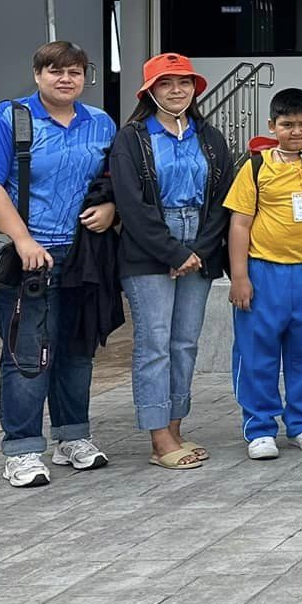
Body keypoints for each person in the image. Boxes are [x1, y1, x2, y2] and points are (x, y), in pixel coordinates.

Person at [0, 41, 118, 488]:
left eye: (75, 72)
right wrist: (22, 239)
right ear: (37, 75)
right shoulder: (8, 118)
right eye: (55, 71)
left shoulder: (101, 123)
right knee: (27, 354)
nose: (65, 79)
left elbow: (113, 180)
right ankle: (22, 449)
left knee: (76, 349)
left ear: (85, 77)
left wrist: (111, 209)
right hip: (26, 259)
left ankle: (73, 437)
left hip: (82, 256)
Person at [109, 52, 233, 471]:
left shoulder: (210, 137)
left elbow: (223, 198)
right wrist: (174, 252)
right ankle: (158, 437)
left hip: (200, 243)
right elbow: (131, 203)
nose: (176, 90)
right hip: (149, 247)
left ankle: (175, 428)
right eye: (166, 83)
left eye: (184, 82)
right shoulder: (131, 139)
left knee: (185, 343)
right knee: (155, 343)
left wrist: (198, 250)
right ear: (149, 91)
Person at [223, 88, 302, 459]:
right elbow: (240, 224)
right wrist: (240, 276)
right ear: (271, 125)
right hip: (264, 271)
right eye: (287, 124)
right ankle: (259, 426)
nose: (296, 131)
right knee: (256, 350)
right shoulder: (256, 166)